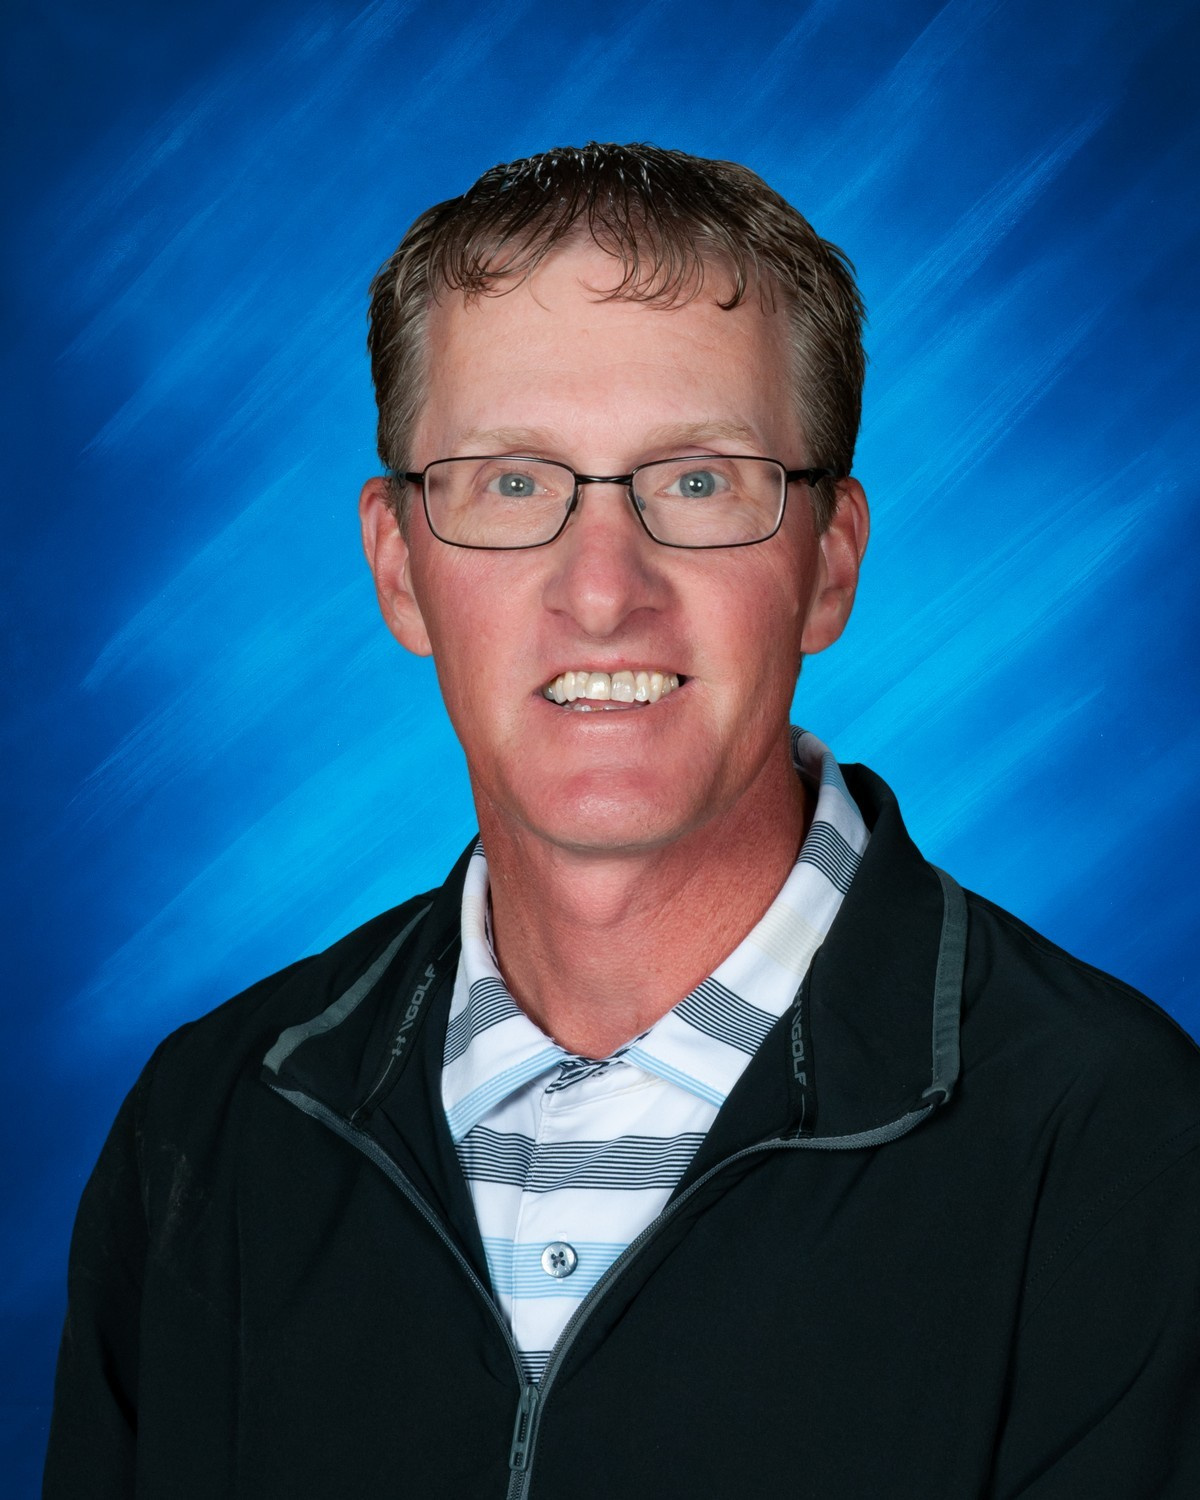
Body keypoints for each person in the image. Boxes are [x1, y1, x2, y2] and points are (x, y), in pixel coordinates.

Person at [45, 142, 1200, 1499]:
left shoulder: (1119, 1148)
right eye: (512, 483)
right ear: (399, 566)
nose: (602, 592)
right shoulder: (209, 1131)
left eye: (699, 482)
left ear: (829, 562)